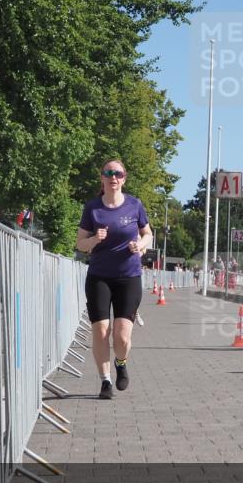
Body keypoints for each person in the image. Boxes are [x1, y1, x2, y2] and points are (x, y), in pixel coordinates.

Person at [75, 159, 153, 399]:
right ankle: (105, 381)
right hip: (99, 276)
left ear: (124, 178)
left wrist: (139, 246)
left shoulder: (134, 205)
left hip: (128, 276)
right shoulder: (92, 208)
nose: (113, 177)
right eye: (108, 173)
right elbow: (80, 244)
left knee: (121, 336)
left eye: (118, 173)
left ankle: (121, 362)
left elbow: (148, 234)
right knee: (100, 331)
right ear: (102, 178)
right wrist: (95, 239)